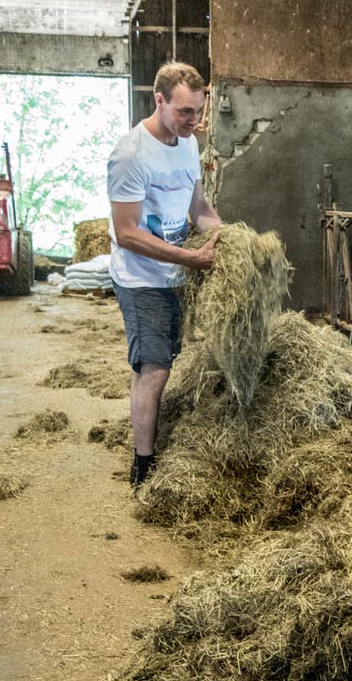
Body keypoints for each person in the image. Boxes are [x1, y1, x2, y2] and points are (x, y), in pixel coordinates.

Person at [107, 61, 222, 487]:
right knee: (153, 368)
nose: (194, 120)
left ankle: (149, 444)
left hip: (175, 272)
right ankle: (143, 465)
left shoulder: (188, 144)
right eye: (184, 112)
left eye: (199, 110)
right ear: (159, 100)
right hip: (142, 277)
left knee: (167, 360)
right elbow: (127, 233)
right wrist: (189, 259)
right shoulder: (131, 155)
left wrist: (235, 240)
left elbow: (201, 211)